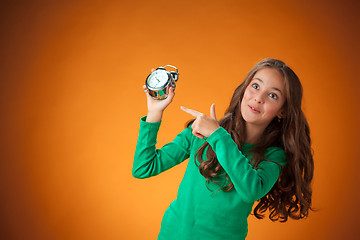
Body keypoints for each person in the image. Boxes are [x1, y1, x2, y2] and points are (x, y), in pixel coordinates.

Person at [133, 58, 314, 240]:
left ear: (282, 111)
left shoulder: (274, 155)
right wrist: (154, 112)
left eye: (273, 95)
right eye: (256, 86)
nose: (258, 98)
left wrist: (218, 136)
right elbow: (144, 167)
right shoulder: (201, 131)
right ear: (244, 89)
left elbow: (251, 191)